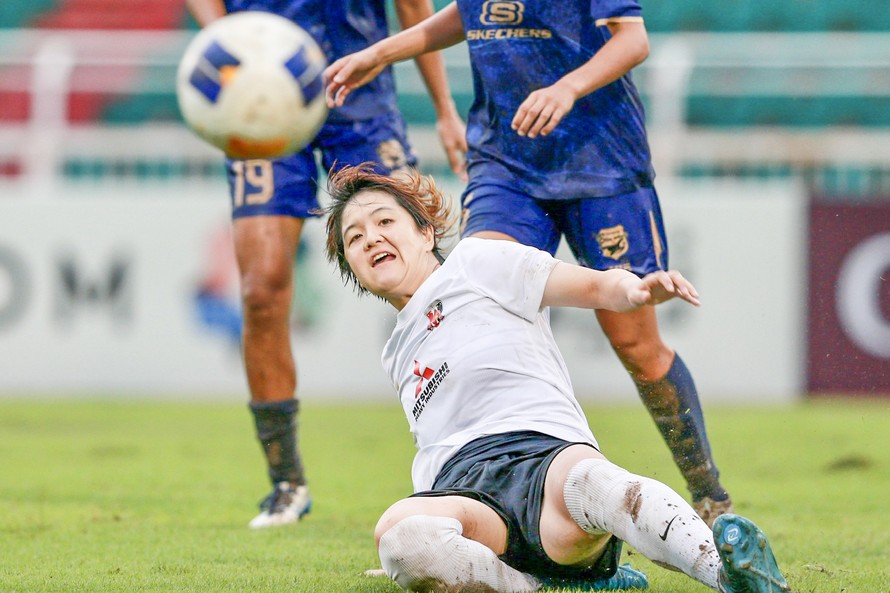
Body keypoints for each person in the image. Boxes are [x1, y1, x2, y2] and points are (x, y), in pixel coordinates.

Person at [323, 0, 734, 527]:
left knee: (637, 345)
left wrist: (567, 87)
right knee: (469, 298)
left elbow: (634, 40)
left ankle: (708, 493)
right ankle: (456, 509)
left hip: (601, 163)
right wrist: (382, 52)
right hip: (506, 164)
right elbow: (468, 14)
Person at [320, 164, 791, 593]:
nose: (372, 239)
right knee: (398, 537)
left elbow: (590, 284)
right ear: (354, 270)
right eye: (355, 238)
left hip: (546, 464)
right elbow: (435, 448)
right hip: (465, 493)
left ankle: (730, 575)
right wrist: (422, 550)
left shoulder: (477, 262)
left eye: (385, 222)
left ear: (424, 233)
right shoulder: (395, 350)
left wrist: (633, 287)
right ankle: (540, 586)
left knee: (597, 483)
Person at [185, 0, 467, 529]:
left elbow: (413, 6)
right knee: (261, 289)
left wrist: (445, 108)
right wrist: (233, 40)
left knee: (425, 277)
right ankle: (286, 484)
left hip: (359, 92)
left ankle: (468, 456)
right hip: (262, 97)